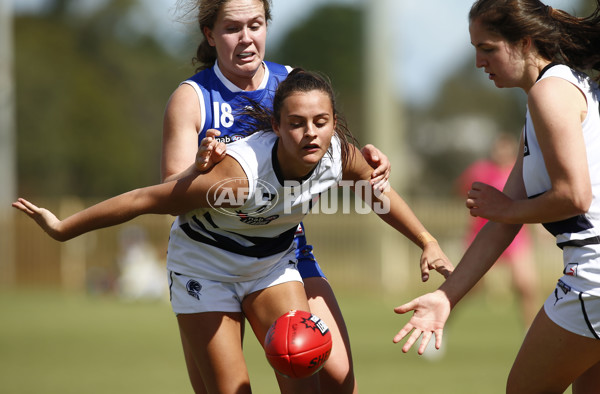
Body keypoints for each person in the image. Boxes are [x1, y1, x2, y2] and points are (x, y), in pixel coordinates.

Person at [14, 69, 454, 394]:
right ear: (277, 126)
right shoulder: (238, 178)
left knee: (307, 377)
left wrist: (426, 240)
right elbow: (146, 199)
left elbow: (378, 195)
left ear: (333, 121)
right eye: (296, 123)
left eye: (320, 122)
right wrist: (63, 229)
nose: (310, 133)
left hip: (271, 266)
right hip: (205, 268)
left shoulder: (337, 155)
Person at [162, 1, 391, 392]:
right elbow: (170, 192)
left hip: (282, 252)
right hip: (209, 259)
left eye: (256, 24)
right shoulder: (193, 97)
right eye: (233, 28)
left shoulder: (291, 83)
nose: (247, 38)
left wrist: (368, 158)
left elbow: (336, 147)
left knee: (335, 378)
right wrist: (198, 169)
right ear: (209, 34)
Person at [393, 1, 600, 393]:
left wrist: (511, 209)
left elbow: (575, 195)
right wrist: (445, 298)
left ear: (524, 42)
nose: (478, 62)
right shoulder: (556, 93)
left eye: (487, 48)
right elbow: (501, 225)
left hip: (593, 277)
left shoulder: (549, 93)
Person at [456, 133, 539, 328]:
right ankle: (438, 326)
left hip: (516, 236)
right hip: (483, 234)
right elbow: (460, 190)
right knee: (468, 287)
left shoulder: (522, 171)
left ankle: (530, 333)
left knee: (526, 285)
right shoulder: (480, 170)